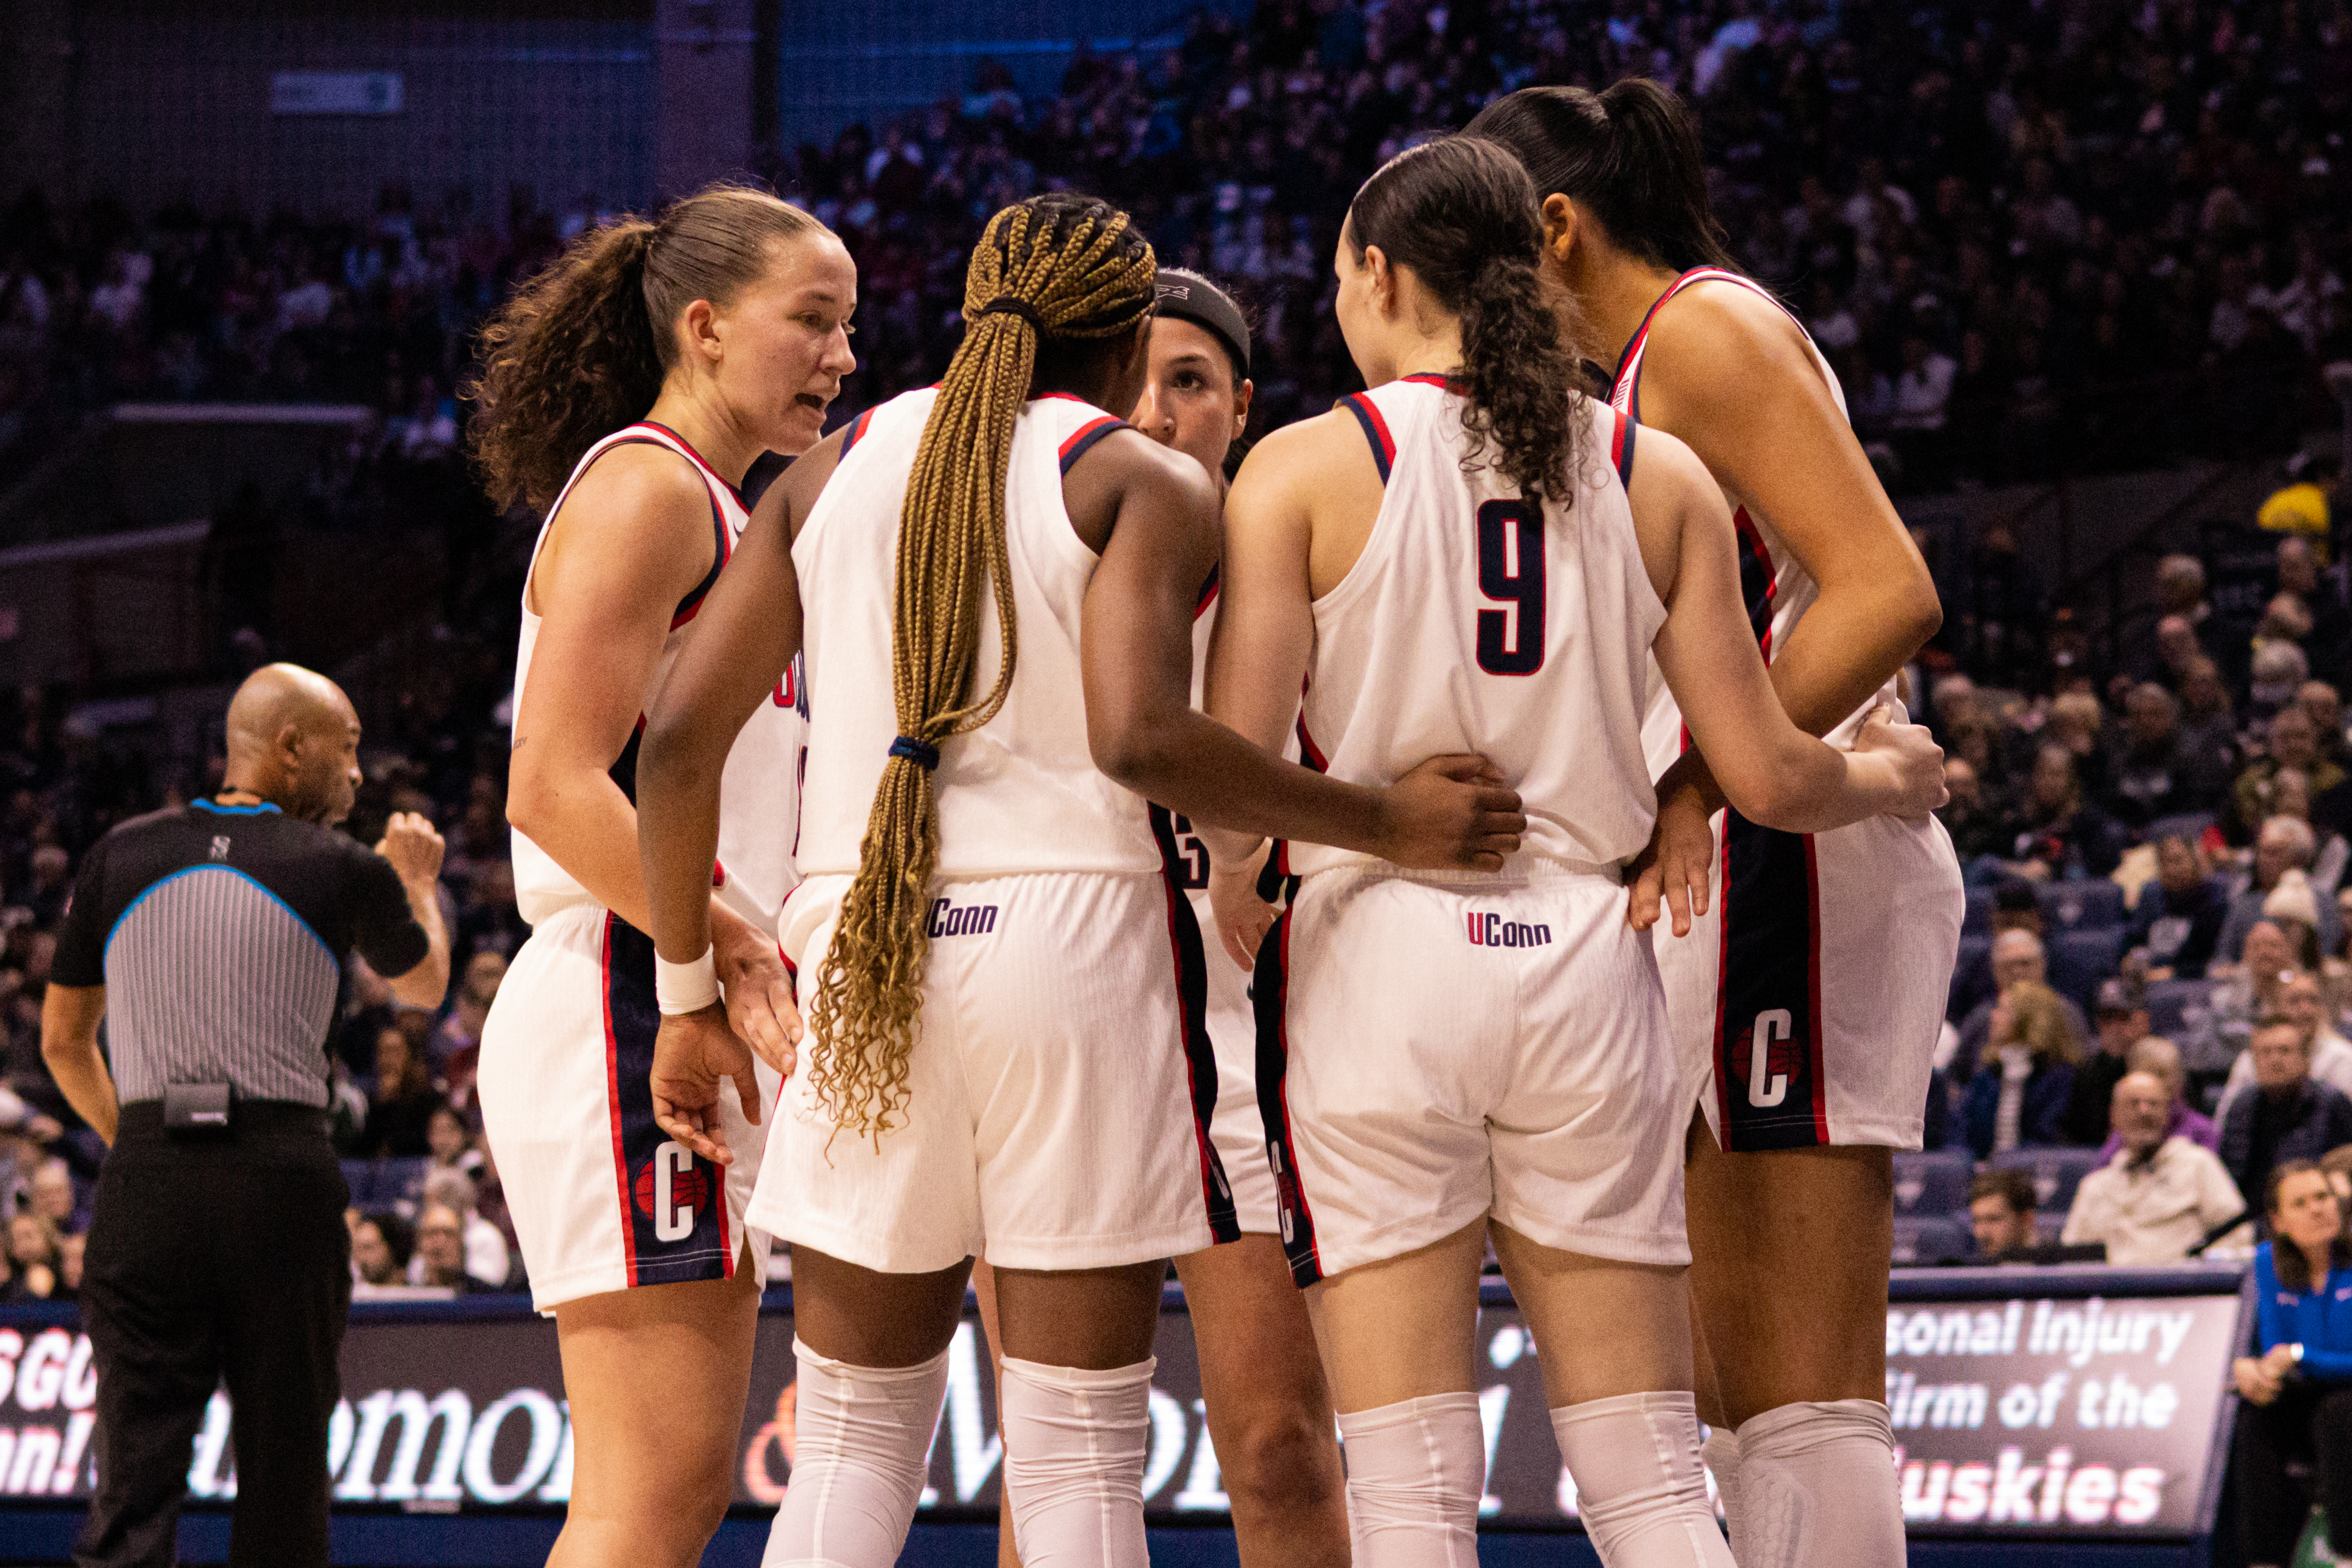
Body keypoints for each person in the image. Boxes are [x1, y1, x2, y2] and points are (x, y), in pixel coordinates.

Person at [633, 191, 1522, 1568]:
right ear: (1118, 344)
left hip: (859, 929)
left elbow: (680, 740)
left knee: (857, 1441)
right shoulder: (1135, 479)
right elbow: (1139, 738)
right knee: (1073, 1450)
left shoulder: (827, 472)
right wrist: (1383, 822)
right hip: (1076, 939)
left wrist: (688, 989)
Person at [1198, 137, 1943, 1568]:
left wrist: (1289, 840)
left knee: (1410, 1493)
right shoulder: (1646, 466)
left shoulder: (1298, 467)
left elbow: (1235, 797)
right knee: (1654, 1484)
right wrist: (1882, 770)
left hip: (1381, 959)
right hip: (1587, 962)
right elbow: (1766, 779)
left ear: (1378, 270)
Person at [1465, 81, 1964, 1568]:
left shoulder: (1702, 331)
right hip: (1733, 855)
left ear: (1554, 227)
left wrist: (1697, 778)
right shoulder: (1625, 379)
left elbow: (1885, 586)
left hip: (1794, 856)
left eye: (1484, 261)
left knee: (1803, 1390)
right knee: (1743, 1392)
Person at [465, 184, 854, 1568]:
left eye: (849, 326)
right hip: (635, 994)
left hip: (665, 982)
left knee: (669, 1497)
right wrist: (731, 951)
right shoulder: (647, 488)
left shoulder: (716, 511)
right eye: (811, 321)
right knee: (648, 1500)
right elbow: (556, 784)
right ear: (701, 325)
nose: (842, 355)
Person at [971, 268, 1348, 1568]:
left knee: (1282, 1444)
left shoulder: (1298, 546)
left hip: (1238, 1034)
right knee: (1059, 1452)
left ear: (1241, 406)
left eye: (1189, 382)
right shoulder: (1029, 545)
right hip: (1049, 1002)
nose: (1159, 408)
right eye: (1137, 378)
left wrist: (1281, 847)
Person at [40, 662, 448, 1568]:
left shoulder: (118, 852)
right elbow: (423, 985)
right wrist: (414, 879)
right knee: (285, 1480)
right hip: (279, 1185)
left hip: (147, 1178)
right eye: (345, 753)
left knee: (132, 1485)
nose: (357, 774)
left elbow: (63, 1041)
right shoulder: (343, 866)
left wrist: (136, 1143)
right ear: (290, 749)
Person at [2233, 1161, 2352, 1567]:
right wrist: (2249, 1371)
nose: (2317, 1209)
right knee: (2255, 1416)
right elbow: (2271, 1346)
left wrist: (2303, 1356)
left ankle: (2345, 1556)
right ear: (2279, 1221)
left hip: (2345, 1402)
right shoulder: (2266, 1263)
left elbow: (2298, 1353)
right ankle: (2264, 1561)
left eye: (2322, 1197)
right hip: (2308, 1397)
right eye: (2300, 1203)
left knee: (2339, 1411)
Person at [2059, 1072, 2249, 1263]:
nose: (2144, 1112)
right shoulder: (2095, 1186)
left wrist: (2199, 1270)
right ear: (2114, 1116)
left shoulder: (2198, 1165)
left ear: (2167, 1115)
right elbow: (2071, 1254)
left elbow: (2238, 1234)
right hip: (2111, 1289)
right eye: (2134, 1104)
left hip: (2182, 1288)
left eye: (2154, 1104)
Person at [2219, 1018, 2352, 1205]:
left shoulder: (2332, 1103)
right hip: (2255, 1217)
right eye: (2266, 1053)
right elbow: (2230, 1180)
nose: (2275, 1060)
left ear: (2306, 1060)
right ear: (2254, 1062)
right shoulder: (2242, 1107)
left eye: (2284, 1051)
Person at [1950, 929, 2090, 1082]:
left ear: (2042, 964)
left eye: (2025, 963)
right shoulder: (1981, 1019)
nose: (2017, 971)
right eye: (2009, 965)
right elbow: (1957, 1078)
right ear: (1995, 971)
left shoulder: (2067, 1014)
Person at [1962, 980, 2083, 1155]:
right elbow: (1966, 1135)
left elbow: (2049, 1139)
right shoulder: (1987, 1076)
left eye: (2003, 1010)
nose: (1993, 1017)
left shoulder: (2060, 1078)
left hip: (2035, 1172)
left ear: (2028, 1017)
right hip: (1986, 1172)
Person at [2221, 970, 2352, 1116]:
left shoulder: (2343, 1058)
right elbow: (2225, 1124)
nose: (2305, 1009)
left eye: (2313, 1000)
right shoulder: (2249, 1060)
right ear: (2276, 1008)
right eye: (2295, 1001)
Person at [2223, 817, 2345, 963]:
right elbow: (2223, 960)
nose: (2264, 860)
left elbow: (2328, 957)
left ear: (2298, 859)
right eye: (2262, 852)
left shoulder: (2322, 901)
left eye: (2274, 853)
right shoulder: (2244, 903)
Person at [2097, 1036, 2221, 1160]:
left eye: (2163, 1074)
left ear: (2181, 1080)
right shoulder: (2125, 1134)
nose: (2157, 1084)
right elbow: (2103, 1175)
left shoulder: (2202, 1132)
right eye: (2150, 1074)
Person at [2127, 834, 2230, 980]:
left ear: (2195, 862)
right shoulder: (2151, 896)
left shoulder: (2214, 899)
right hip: (2152, 978)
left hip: (2197, 980)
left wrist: (2172, 973)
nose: (2171, 870)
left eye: (2178, 861)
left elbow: (2214, 957)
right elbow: (2135, 941)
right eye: (2164, 863)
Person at [2062, 979, 2147, 1145]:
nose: (2114, 1028)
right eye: (2107, 1019)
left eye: (2123, 1017)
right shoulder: (2088, 1072)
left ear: (2141, 1021)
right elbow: (2076, 1134)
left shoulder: (2158, 1066)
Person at [357, 1025, 440, 1157]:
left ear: (408, 1055)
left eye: (396, 1051)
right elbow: (364, 1151)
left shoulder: (427, 1096)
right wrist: (383, 1103)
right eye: (384, 1051)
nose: (390, 1059)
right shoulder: (370, 1098)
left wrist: (390, 1104)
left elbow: (416, 1146)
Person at [1967, 1170, 2040, 1261]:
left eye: (1993, 1220)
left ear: (2026, 1219)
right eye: (1977, 1221)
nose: (1981, 1234)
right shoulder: (1969, 1271)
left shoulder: (2056, 1269)